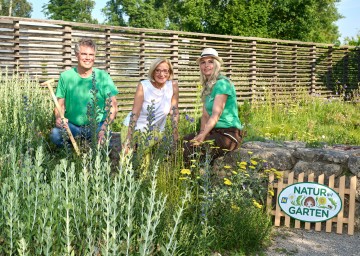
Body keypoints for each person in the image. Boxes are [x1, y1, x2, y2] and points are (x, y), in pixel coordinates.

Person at [50, 38, 119, 147]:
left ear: (94, 57)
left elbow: (113, 107)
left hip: (97, 126)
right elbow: (60, 105)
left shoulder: (103, 77)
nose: (88, 58)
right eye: (84, 54)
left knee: (105, 143)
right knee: (55, 135)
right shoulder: (65, 77)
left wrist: (104, 128)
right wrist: (59, 118)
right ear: (77, 55)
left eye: (91, 55)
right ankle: (70, 155)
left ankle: (91, 151)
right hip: (72, 126)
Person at [183, 48, 243, 163]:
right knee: (183, 142)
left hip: (229, 133)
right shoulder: (208, 86)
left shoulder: (222, 83)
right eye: (203, 62)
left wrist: (203, 136)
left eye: (210, 62)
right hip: (214, 131)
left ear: (216, 65)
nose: (206, 65)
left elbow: (216, 114)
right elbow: (205, 115)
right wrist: (201, 134)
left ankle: (195, 179)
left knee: (191, 150)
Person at [122, 58, 179, 152]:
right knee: (127, 160)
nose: (161, 74)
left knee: (146, 163)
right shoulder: (144, 86)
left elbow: (174, 112)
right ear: (153, 72)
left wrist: (175, 133)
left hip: (154, 132)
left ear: (170, 73)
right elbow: (135, 113)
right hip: (133, 128)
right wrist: (128, 138)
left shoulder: (173, 86)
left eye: (165, 71)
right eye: (158, 70)